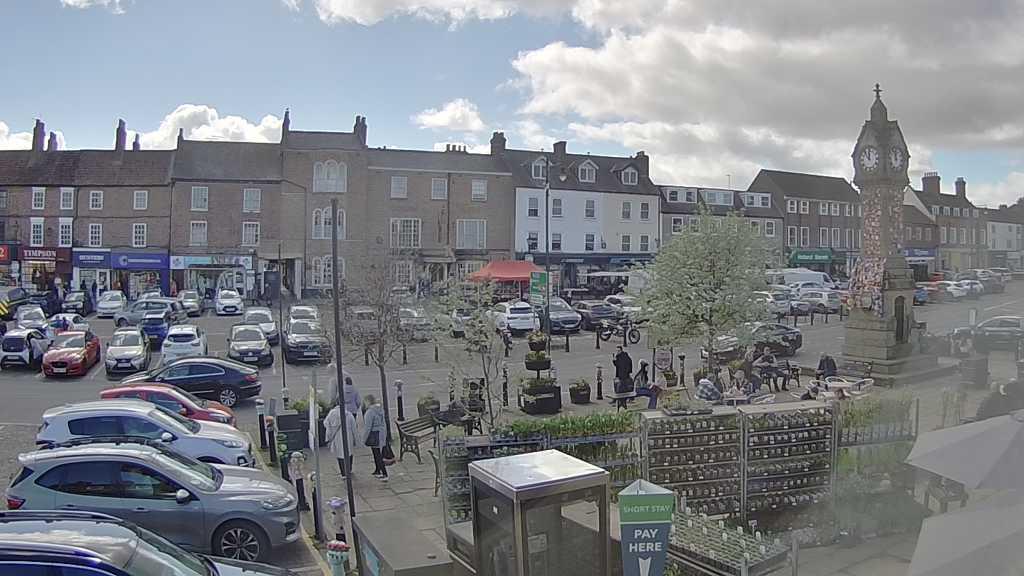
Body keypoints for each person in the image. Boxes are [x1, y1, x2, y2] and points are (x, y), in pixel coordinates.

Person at [323, 401, 356, 477]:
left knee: (340, 454)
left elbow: (325, 423)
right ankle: (349, 469)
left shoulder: (331, 413)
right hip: (348, 436)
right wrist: (355, 439)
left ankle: (343, 473)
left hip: (337, 437)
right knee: (349, 452)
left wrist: (330, 433)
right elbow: (354, 427)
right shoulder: (348, 414)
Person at [362, 394, 388, 481]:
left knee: (377, 454)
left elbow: (367, 428)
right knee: (377, 452)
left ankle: (384, 473)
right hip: (381, 433)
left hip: (374, 434)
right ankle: (378, 470)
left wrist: (364, 439)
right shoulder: (380, 409)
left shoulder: (369, 412)